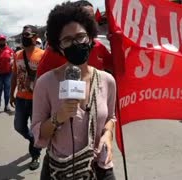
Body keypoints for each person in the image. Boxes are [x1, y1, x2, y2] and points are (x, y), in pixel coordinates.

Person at [32, 2, 116, 180]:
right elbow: (38, 134)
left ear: (91, 38)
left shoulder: (107, 81)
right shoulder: (45, 83)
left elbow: (110, 118)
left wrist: (108, 134)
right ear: (59, 46)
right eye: (67, 40)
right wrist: (58, 117)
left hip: (100, 168)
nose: (76, 43)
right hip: (60, 171)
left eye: (80, 37)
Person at [36, 0, 113, 79]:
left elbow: (118, 68)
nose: (89, 22)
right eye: (83, 18)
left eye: (92, 18)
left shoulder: (99, 47)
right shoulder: (55, 51)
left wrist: (117, 44)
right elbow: (39, 80)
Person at [10, 25, 44, 170]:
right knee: (19, 126)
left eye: (27, 35)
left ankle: (35, 155)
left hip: (37, 99)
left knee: (35, 128)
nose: (24, 37)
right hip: (21, 98)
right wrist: (11, 93)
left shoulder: (43, 55)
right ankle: (35, 141)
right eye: (23, 35)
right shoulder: (17, 55)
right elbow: (14, 75)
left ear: (36, 37)